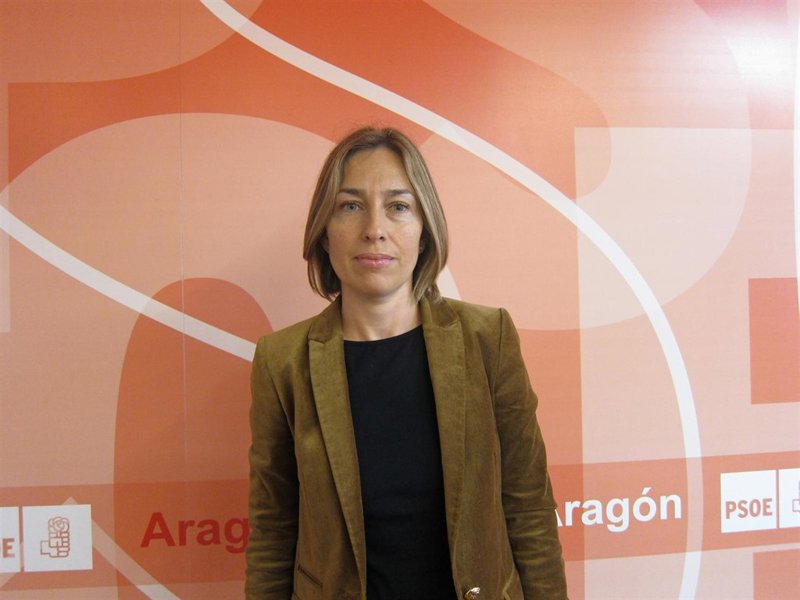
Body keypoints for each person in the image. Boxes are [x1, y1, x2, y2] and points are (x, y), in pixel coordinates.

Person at [246, 127, 567, 599]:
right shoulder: (283, 362)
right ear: (324, 233)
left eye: (398, 206)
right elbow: (274, 529)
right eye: (350, 206)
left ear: (424, 231)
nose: (374, 228)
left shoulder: (488, 339)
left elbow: (528, 507)